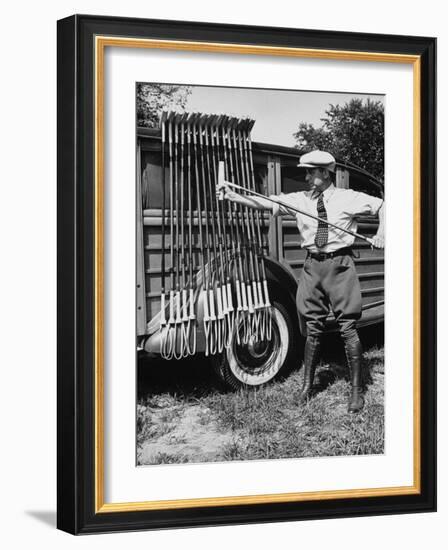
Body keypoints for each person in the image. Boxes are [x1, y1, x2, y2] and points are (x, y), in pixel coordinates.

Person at [217, 150, 385, 413]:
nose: (306, 177)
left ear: (324, 173)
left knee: (348, 327)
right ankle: (307, 386)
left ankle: (356, 391)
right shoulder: (300, 200)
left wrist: (381, 232)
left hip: (339, 265)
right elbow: (264, 201)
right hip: (312, 267)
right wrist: (233, 196)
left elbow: (384, 206)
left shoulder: (347, 198)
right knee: (313, 327)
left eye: (310, 172)